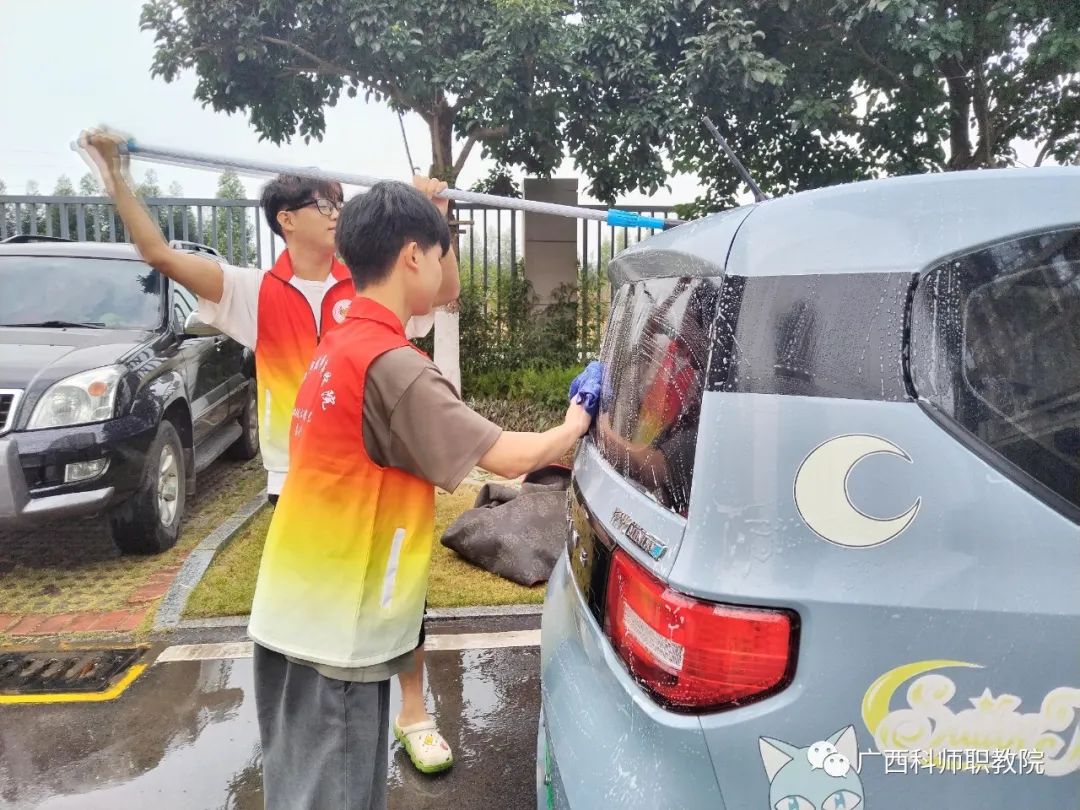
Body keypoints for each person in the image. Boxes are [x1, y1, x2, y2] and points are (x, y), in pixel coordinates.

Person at [77, 128, 462, 774]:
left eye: (340, 202)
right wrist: (115, 178)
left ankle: (413, 713)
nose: (336, 213)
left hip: (379, 468)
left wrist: (434, 217)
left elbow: (443, 290)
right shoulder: (251, 291)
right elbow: (158, 253)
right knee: (320, 610)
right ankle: (323, 736)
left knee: (398, 593)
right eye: (323, 204)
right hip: (301, 476)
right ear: (286, 218)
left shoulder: (370, 283)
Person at [249, 180, 592, 809]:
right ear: (413, 255)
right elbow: (506, 456)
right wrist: (576, 422)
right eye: (439, 253)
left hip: (290, 613)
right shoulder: (393, 365)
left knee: (299, 793)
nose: (442, 270)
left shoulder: (338, 345)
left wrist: (436, 212)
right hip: (338, 630)